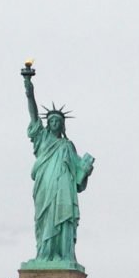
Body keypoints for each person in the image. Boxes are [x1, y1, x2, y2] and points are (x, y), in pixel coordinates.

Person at [23, 75, 94, 265]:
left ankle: (63, 255)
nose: (54, 123)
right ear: (48, 124)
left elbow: (78, 175)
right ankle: (44, 255)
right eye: (51, 121)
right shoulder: (42, 139)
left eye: (58, 121)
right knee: (44, 219)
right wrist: (29, 92)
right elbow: (33, 115)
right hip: (45, 185)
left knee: (63, 220)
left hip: (63, 189)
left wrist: (86, 169)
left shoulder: (67, 146)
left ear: (62, 125)